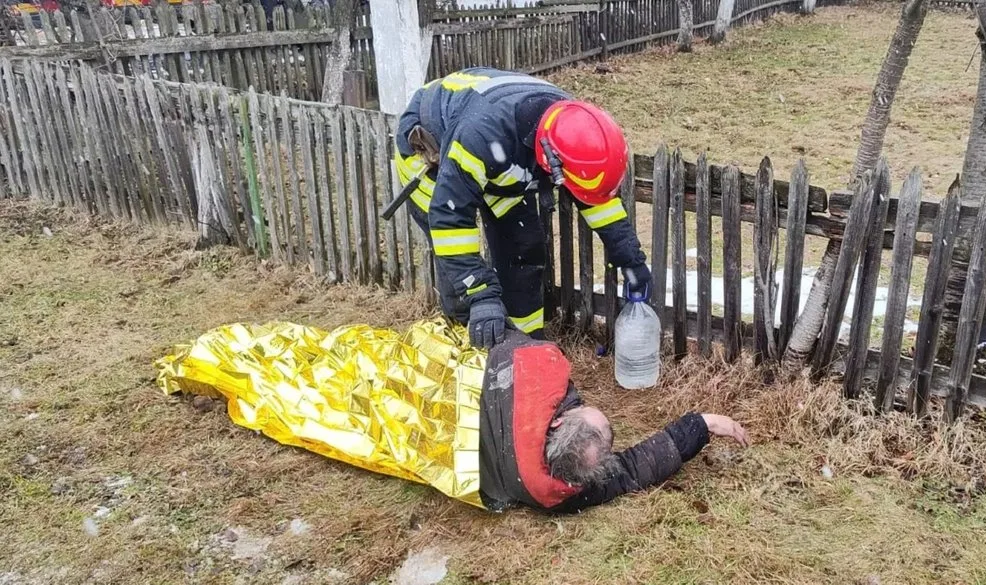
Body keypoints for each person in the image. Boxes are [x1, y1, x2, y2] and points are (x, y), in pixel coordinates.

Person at [157, 319, 748, 513]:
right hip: (461, 419)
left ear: (562, 430)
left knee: (350, 390)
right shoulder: (553, 492)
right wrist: (702, 425)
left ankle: (228, 357)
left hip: (459, 413)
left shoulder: (540, 386)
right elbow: (639, 468)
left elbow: (513, 349)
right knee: (356, 381)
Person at [393, 67, 652, 349]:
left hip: (501, 159)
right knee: (457, 272)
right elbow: (449, 218)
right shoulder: (482, 135)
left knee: (523, 250)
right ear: (550, 158)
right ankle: (467, 352)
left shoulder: (569, 128)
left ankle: (527, 344)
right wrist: (480, 295)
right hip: (429, 147)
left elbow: (598, 201)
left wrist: (631, 260)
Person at [480, 329, 748, 513]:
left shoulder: (528, 369)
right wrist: (702, 424)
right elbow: (631, 470)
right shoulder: (558, 495)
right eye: (581, 406)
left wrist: (700, 426)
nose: (580, 401)